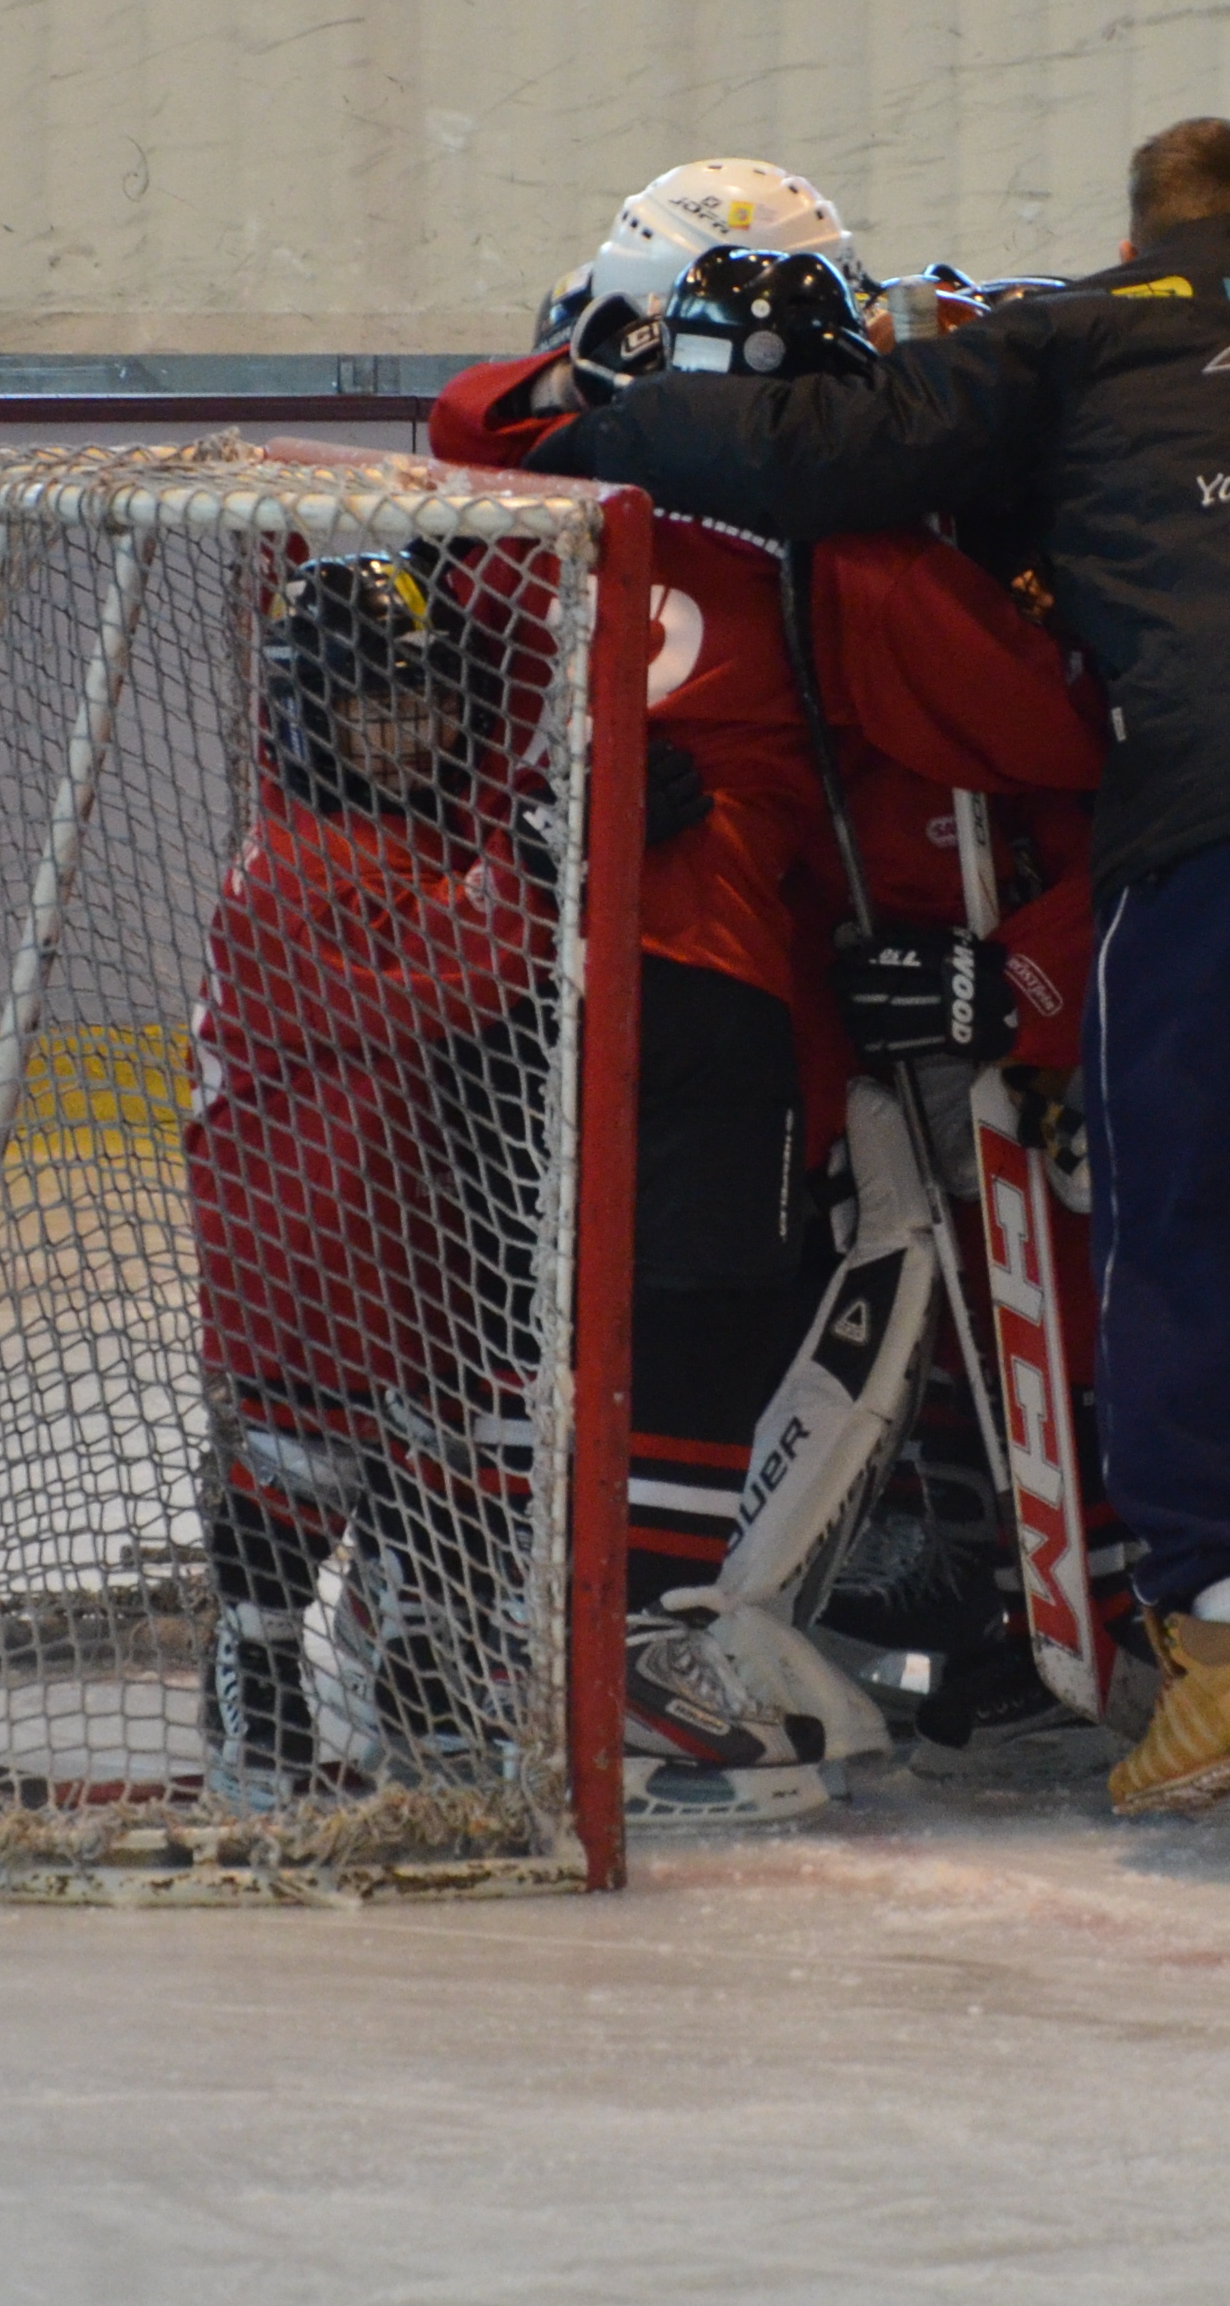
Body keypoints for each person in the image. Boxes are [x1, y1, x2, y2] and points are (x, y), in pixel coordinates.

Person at [534, 119, 1230, 1812]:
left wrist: (570, 412)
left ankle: (1224, 1655)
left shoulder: (1090, 324)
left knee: (1181, 1216)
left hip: (1227, 801)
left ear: (1146, 228)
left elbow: (833, 447)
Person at [424, 162, 869, 1823]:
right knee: (704, 1312)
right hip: (704, 979)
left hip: (507, 968)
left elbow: (469, 412)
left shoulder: (522, 475)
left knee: (515, 1316)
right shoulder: (816, 537)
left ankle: (481, 1633)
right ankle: (635, 1642)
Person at [181, 555, 541, 1808]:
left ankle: (415, 1677)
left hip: (404, 1223)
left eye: (427, 703)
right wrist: (548, 866)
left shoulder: (396, 837)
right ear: (303, 712)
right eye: (373, 708)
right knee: (299, 1469)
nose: (406, 735)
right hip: (298, 1234)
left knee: (443, 1467)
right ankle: (257, 1668)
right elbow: (455, 968)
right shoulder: (295, 871)